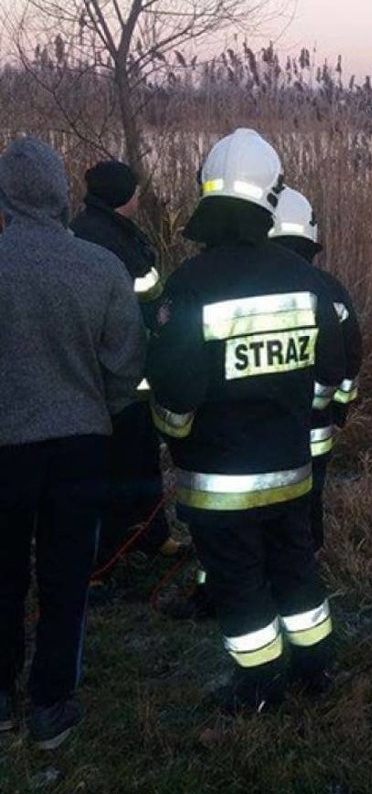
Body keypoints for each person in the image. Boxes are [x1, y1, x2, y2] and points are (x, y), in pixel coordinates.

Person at [146, 129, 345, 712]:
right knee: (294, 571)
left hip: (219, 483)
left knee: (238, 584)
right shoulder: (307, 280)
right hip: (291, 471)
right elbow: (330, 371)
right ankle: (315, 672)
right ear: (271, 198)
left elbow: (176, 392)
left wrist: (173, 437)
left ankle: (260, 688)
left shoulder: (190, 285)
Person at [0, 139, 145, 749]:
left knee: (3, 573)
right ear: (62, 195)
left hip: (6, 446)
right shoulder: (100, 268)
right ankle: (51, 704)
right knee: (65, 576)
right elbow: (125, 365)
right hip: (83, 443)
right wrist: (103, 409)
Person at [71, 160, 180, 570]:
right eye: (135, 190)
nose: (139, 196)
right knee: (123, 460)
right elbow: (149, 301)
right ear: (122, 197)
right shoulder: (107, 240)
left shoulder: (91, 229)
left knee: (137, 455)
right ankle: (109, 555)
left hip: (111, 372)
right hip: (122, 372)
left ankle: (151, 536)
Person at [269, 187, 362, 549]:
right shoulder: (330, 289)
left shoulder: (247, 286)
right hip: (315, 430)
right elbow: (351, 354)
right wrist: (338, 406)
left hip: (257, 433)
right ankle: (308, 562)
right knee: (309, 501)